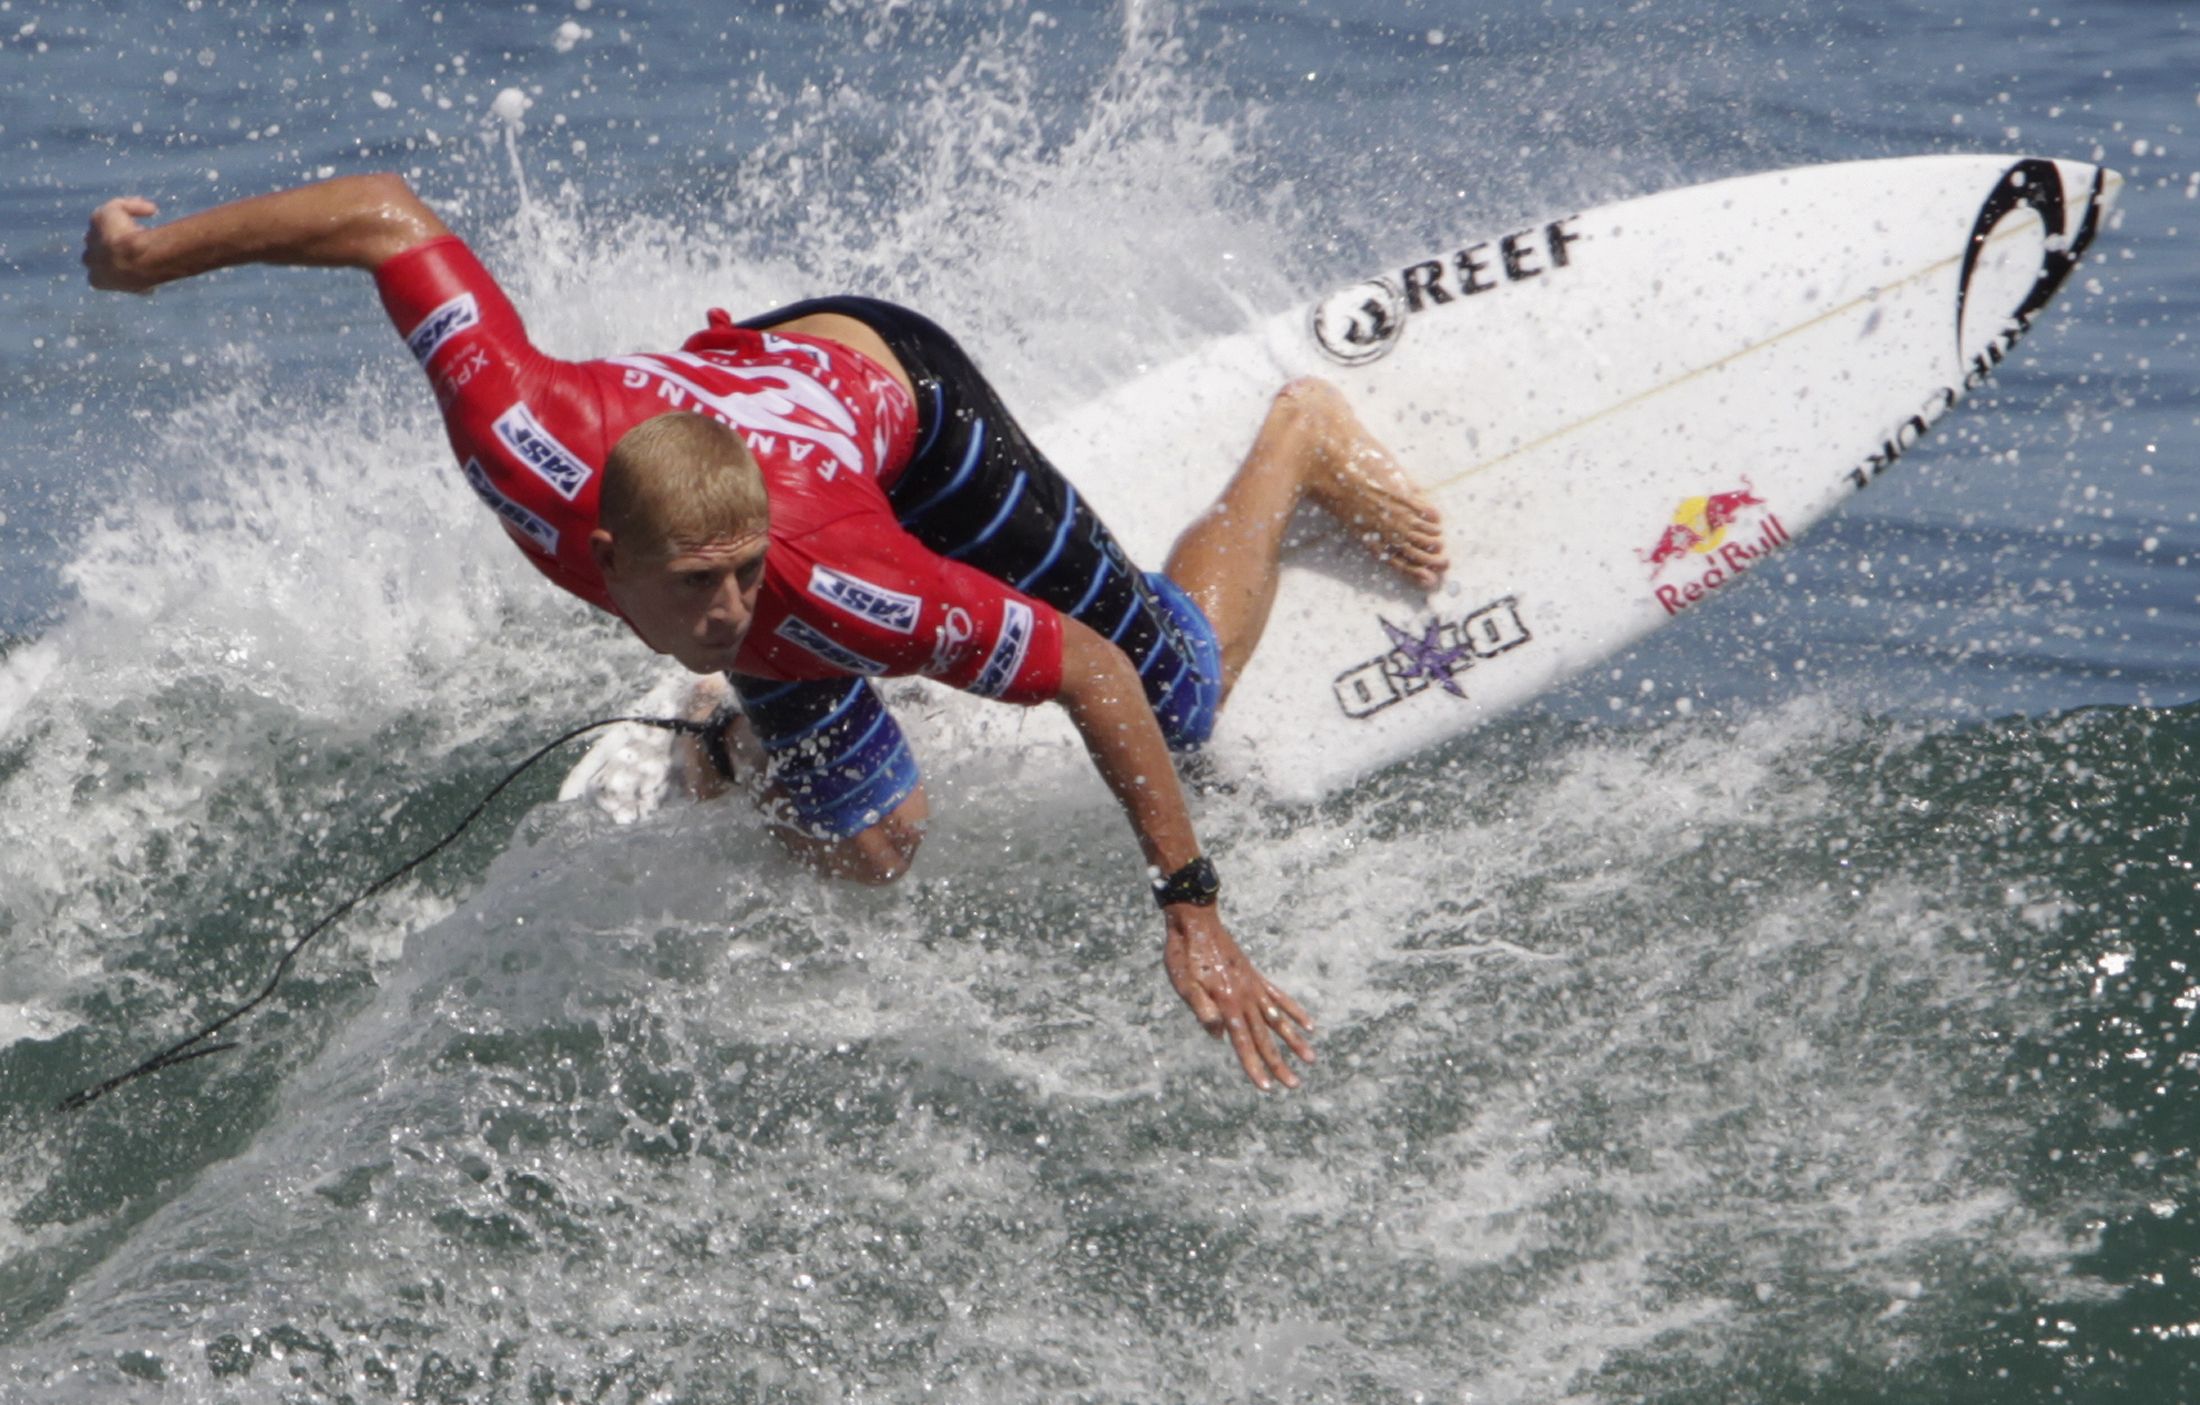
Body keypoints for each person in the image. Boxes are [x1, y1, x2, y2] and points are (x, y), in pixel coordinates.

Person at [81, 174, 1449, 1091]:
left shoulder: (837, 582)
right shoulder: (520, 437)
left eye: (744, 584)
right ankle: (725, 735)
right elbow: (383, 216)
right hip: (726, 430)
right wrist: (151, 259)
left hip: (895, 396)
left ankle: (1298, 436)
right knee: (870, 851)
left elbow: (1088, 673)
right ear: (606, 555)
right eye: (702, 591)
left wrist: (1191, 905)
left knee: (1178, 693)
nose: (732, 613)